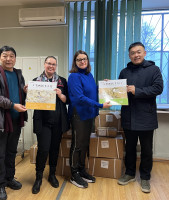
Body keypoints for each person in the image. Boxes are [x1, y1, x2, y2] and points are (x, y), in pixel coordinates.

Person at [0, 46, 28, 200]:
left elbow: (19, 92)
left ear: (15, 58)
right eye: (5, 56)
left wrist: (26, 91)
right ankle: (0, 185)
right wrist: (12, 105)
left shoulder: (18, 74)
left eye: (12, 56)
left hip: (15, 120)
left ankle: (9, 178)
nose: (9, 59)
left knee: (11, 153)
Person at [117, 42, 163, 193]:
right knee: (129, 148)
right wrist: (110, 88)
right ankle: (129, 173)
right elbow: (118, 93)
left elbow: (158, 88)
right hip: (128, 116)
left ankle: (145, 177)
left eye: (138, 52)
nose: (136, 55)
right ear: (129, 55)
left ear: (144, 53)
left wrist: (138, 91)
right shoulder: (124, 72)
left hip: (146, 118)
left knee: (146, 150)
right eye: (132, 53)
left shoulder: (154, 69)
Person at [68, 50, 111, 188]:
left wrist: (104, 86)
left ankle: (81, 170)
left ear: (88, 61)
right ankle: (74, 174)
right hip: (79, 114)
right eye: (79, 59)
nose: (82, 61)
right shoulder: (74, 76)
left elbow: (92, 90)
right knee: (77, 145)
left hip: (89, 114)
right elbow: (80, 97)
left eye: (85, 59)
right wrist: (100, 105)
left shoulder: (89, 74)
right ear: (75, 62)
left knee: (85, 144)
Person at [32, 56, 69, 194]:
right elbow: (32, 101)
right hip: (43, 122)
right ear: (44, 64)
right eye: (49, 63)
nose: (51, 66)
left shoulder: (62, 81)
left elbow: (67, 100)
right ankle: (38, 177)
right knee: (43, 149)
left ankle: (52, 174)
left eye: (54, 64)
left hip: (58, 122)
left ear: (56, 66)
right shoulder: (36, 81)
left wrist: (60, 95)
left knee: (54, 149)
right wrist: (28, 92)